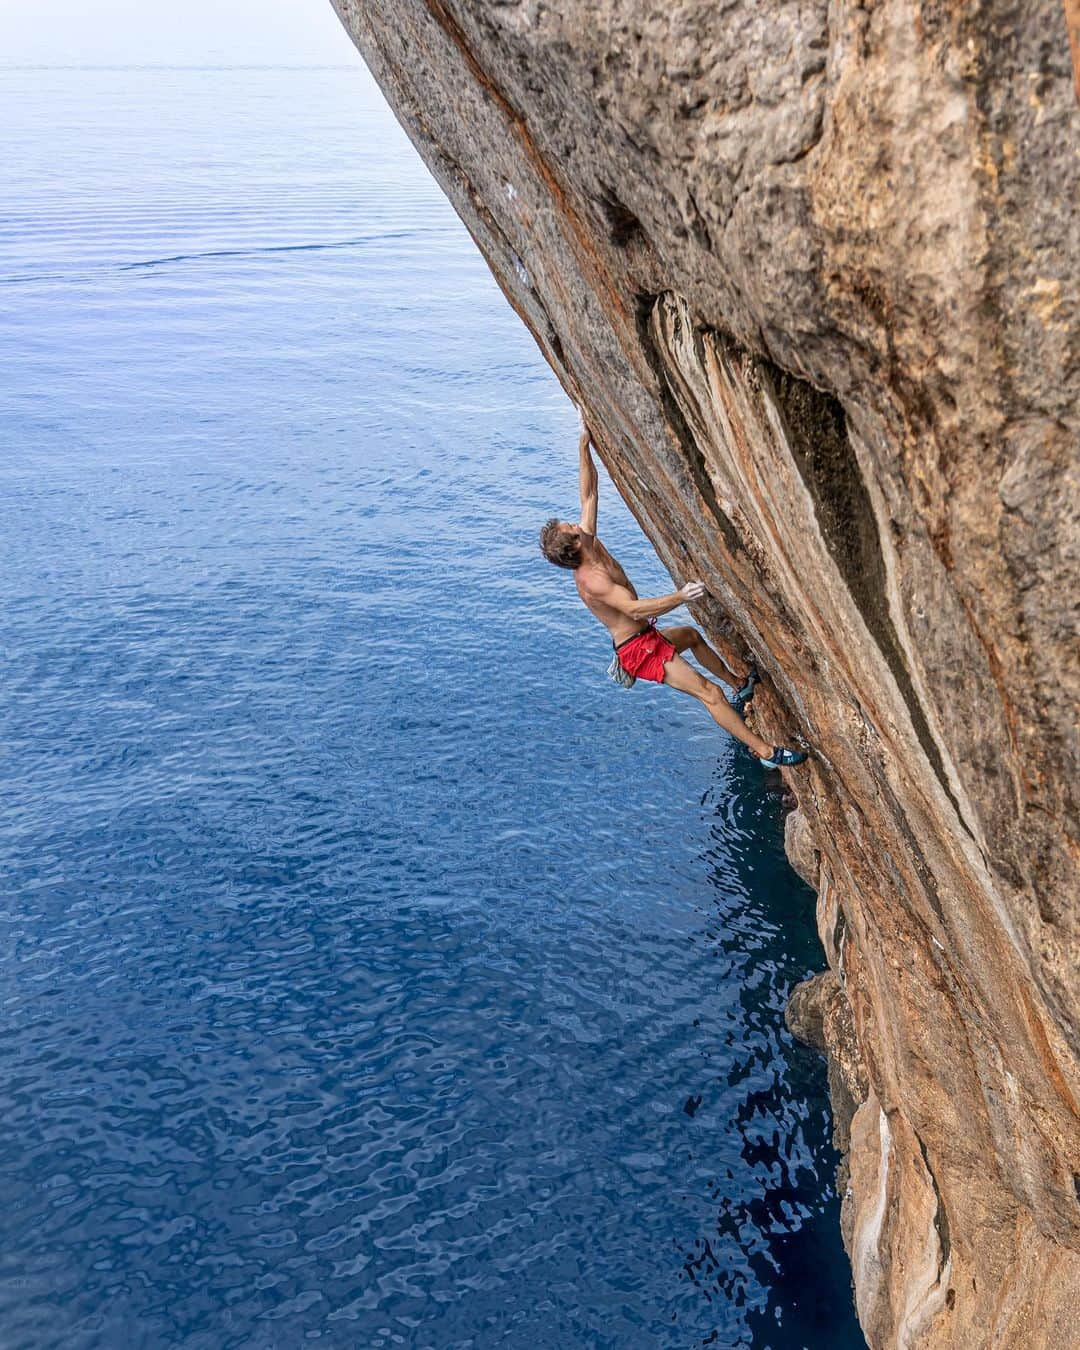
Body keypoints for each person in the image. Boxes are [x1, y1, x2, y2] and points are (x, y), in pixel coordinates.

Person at [538, 416, 808, 769]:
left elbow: (588, 492)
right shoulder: (593, 580)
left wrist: (583, 443)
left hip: (644, 635)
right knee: (707, 694)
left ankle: (738, 684)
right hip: (639, 651)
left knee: (693, 637)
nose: (576, 523)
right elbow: (633, 611)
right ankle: (767, 753)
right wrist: (680, 596)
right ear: (573, 546)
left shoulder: (586, 541)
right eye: (570, 527)